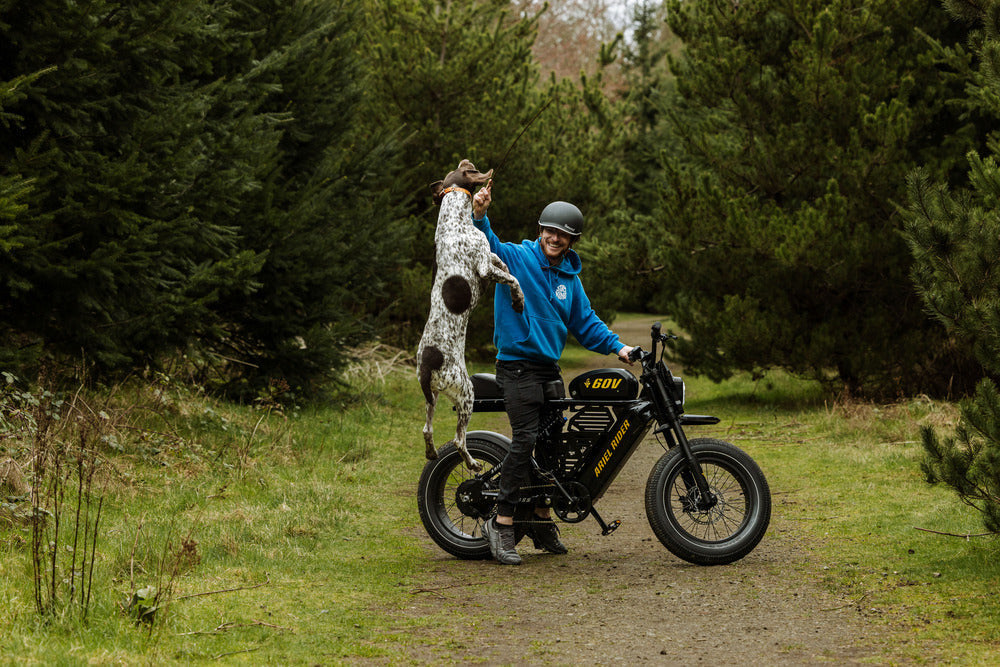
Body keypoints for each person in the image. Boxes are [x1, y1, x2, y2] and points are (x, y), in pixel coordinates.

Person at [471, 181, 634, 565]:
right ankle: (503, 523)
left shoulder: (570, 281)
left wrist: (620, 347)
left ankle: (542, 522)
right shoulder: (516, 257)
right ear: (540, 230)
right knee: (525, 439)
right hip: (516, 367)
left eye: (563, 234)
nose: (554, 238)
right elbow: (487, 243)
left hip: (548, 370)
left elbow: (587, 323)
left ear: (572, 239)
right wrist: (479, 213)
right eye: (549, 231)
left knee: (551, 449)